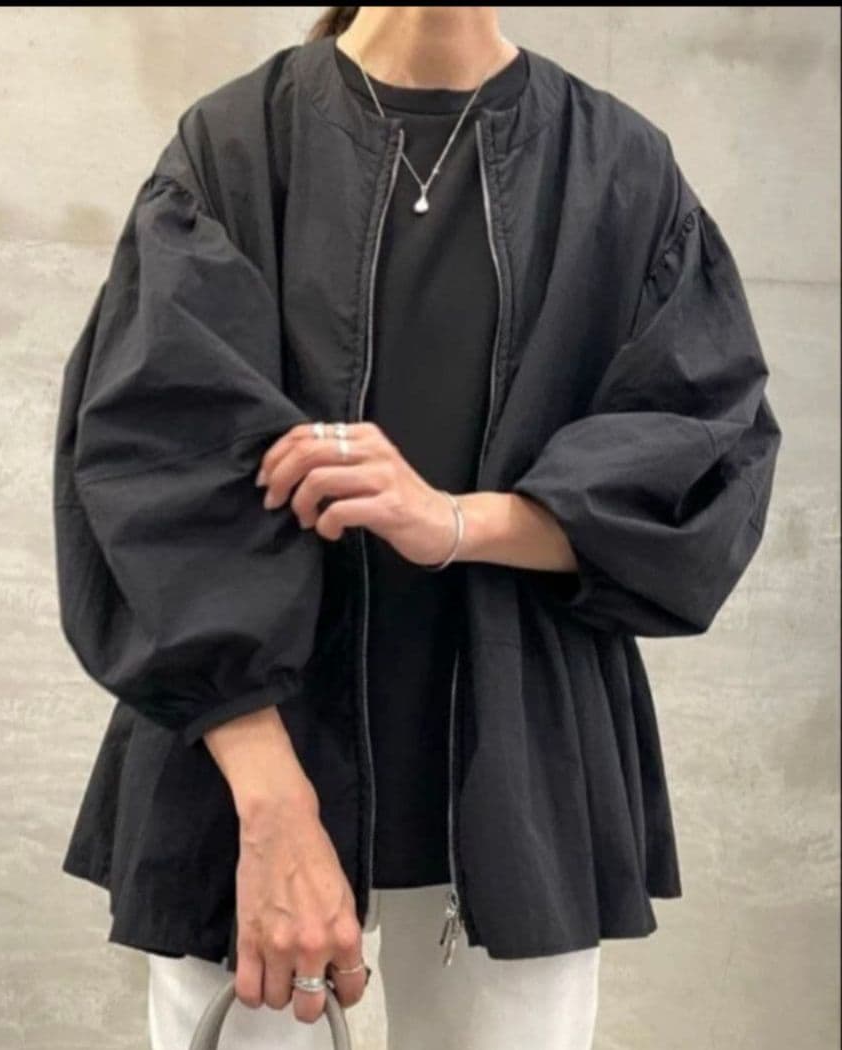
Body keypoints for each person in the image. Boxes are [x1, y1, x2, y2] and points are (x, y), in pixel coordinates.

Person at [51, 6, 782, 1050]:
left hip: (522, 765)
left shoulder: (619, 169)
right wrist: (272, 810)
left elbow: (700, 460)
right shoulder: (234, 147)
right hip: (244, 769)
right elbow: (151, 473)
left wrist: (450, 520)